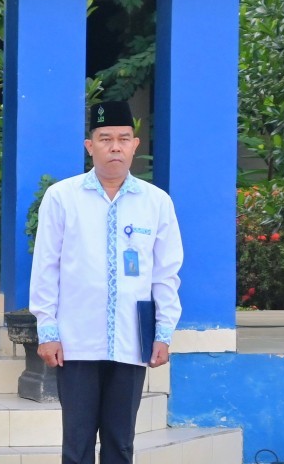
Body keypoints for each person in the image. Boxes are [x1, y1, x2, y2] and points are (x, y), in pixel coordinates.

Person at [30, 101, 183, 464]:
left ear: (135, 145)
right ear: (90, 146)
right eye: (105, 138)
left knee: (120, 443)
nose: (115, 146)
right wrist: (47, 330)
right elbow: (46, 266)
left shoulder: (156, 202)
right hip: (76, 341)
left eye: (123, 139)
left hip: (131, 342)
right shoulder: (62, 198)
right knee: (77, 442)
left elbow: (166, 274)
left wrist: (163, 333)